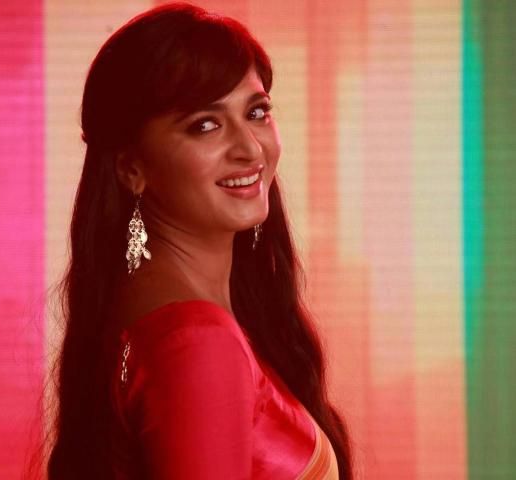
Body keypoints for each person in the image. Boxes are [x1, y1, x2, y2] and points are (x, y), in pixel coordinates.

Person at [47, 2, 353, 479]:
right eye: (205, 125)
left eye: (257, 112)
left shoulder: (150, 307)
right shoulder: (196, 340)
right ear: (132, 167)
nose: (249, 148)